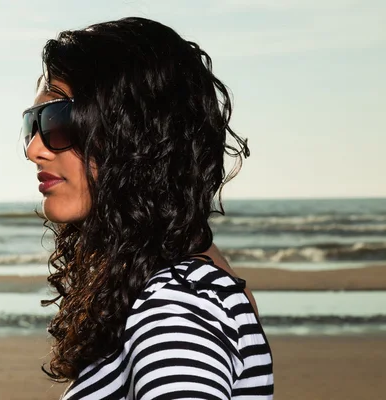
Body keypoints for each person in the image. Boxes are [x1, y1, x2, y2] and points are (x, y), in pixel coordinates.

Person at [21, 17, 274, 400]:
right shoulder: (172, 288)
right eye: (31, 124)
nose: (33, 149)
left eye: (57, 121)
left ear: (133, 134)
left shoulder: (177, 305)